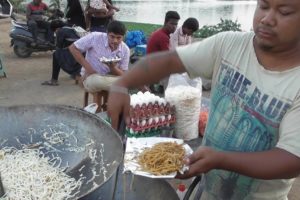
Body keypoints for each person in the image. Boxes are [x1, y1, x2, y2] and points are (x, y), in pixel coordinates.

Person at [107, 0, 300, 199]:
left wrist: (221, 160)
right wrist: (122, 83)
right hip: (208, 189)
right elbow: (169, 61)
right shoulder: (229, 44)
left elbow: (292, 159)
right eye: (264, 6)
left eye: (284, 12)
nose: (267, 19)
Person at [68, 20, 130, 93]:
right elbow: (73, 48)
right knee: (97, 80)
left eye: (118, 38)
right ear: (107, 33)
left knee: (122, 81)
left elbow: (122, 74)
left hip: (110, 78)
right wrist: (89, 69)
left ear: (123, 36)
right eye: (112, 37)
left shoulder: (125, 49)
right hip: (91, 77)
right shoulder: (95, 37)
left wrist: (112, 67)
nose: (115, 41)